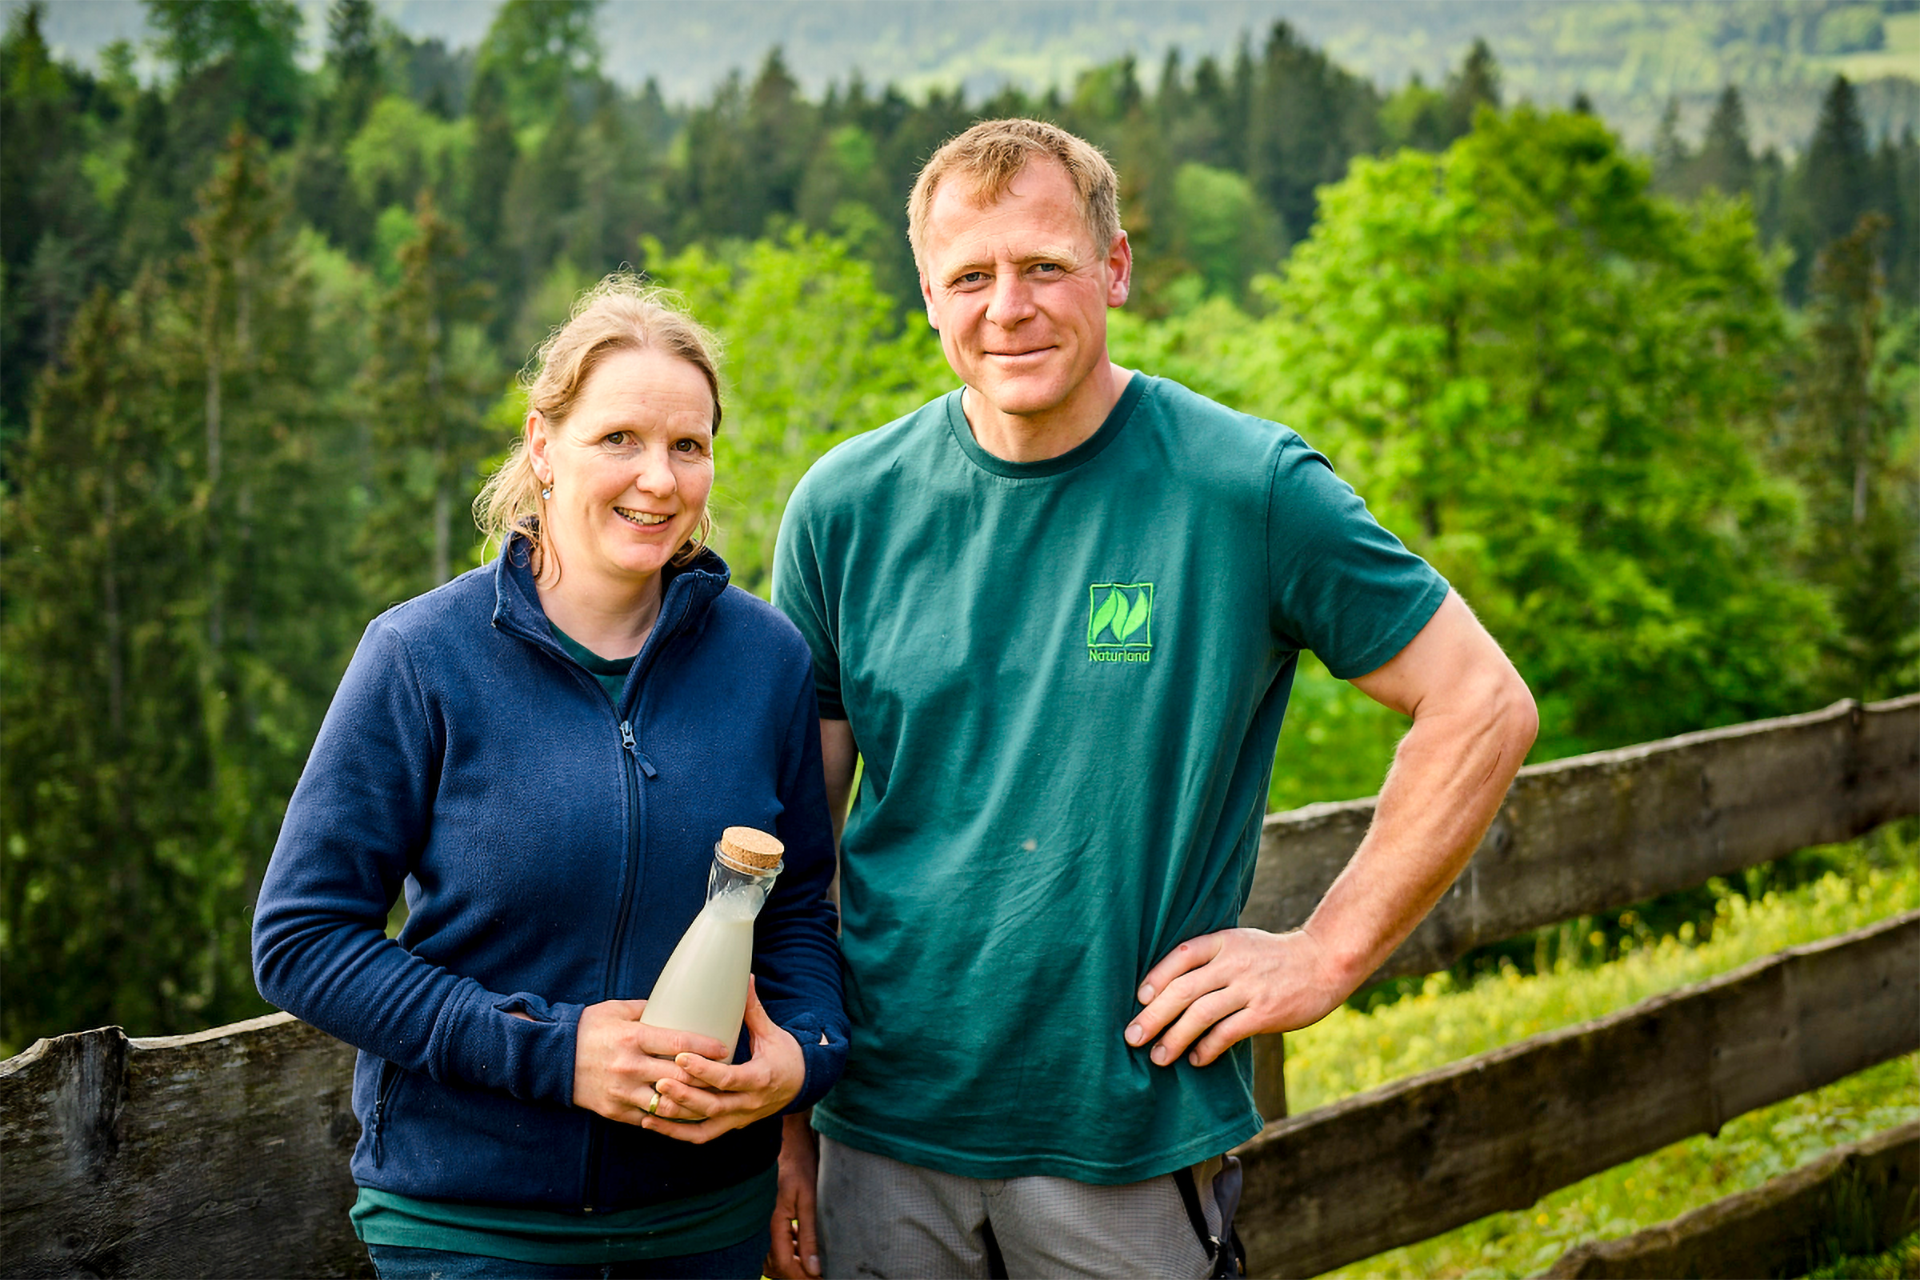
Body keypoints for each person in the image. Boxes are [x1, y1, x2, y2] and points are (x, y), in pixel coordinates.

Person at [766, 119, 1539, 1280]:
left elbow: (1480, 701)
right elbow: (795, 853)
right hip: (879, 1133)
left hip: (1125, 1135)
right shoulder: (846, 507)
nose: (1006, 307)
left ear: (1114, 269)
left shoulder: (1245, 486)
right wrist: (785, 1133)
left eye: (1044, 266)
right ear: (928, 295)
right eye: (969, 276)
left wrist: (1325, 954)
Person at [253, 277, 847, 1280]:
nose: (657, 478)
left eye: (687, 446)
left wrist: (803, 1055)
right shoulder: (420, 656)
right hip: (472, 1230)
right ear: (542, 443)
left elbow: (790, 913)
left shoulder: (767, 659)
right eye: (619, 438)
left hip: (706, 1227)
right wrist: (554, 1052)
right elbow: (301, 939)